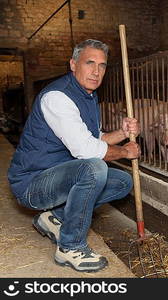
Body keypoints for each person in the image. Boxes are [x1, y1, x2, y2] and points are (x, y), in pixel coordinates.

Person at [7, 39, 140, 272]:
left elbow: (94, 139)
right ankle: (70, 247)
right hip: (32, 183)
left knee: (122, 182)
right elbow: (87, 150)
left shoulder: (88, 96)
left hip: (57, 175)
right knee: (94, 168)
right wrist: (125, 152)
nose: (96, 71)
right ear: (73, 64)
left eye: (102, 65)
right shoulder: (58, 97)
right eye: (89, 63)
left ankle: (54, 218)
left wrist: (122, 133)